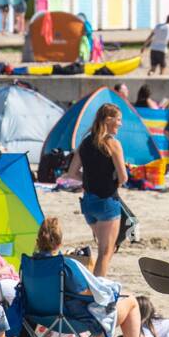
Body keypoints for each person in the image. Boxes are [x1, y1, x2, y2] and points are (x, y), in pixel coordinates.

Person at [66, 103, 128, 277]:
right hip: (107, 202)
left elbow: (72, 173)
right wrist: (111, 181)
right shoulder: (112, 144)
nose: (120, 124)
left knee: (105, 249)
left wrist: (89, 180)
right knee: (105, 253)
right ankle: (98, 295)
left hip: (88, 204)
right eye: (119, 120)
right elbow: (123, 178)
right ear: (108, 120)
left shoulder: (85, 142)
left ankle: (95, 287)